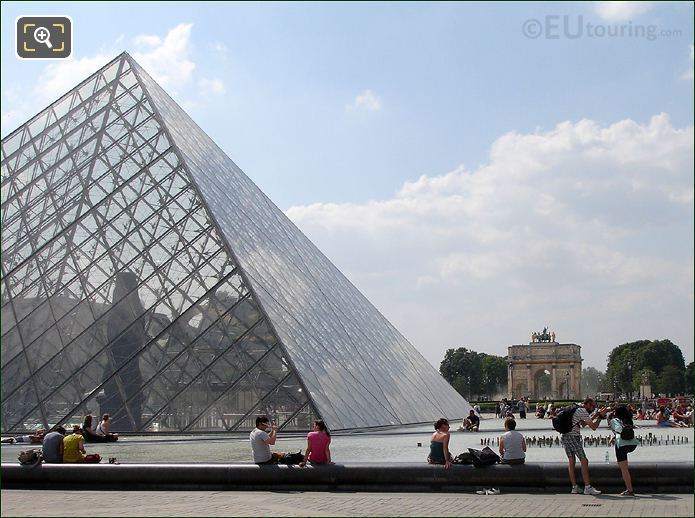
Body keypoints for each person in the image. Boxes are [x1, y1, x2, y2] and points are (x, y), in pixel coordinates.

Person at [561, 397, 608, 495]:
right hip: (573, 437)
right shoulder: (582, 411)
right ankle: (587, 487)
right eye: (592, 406)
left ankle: (574, 487)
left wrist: (596, 415)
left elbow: (582, 424)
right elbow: (594, 427)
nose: (593, 408)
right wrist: (600, 417)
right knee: (584, 460)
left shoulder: (577, 409)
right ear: (587, 404)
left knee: (571, 461)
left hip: (565, 436)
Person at [610, 405, 639, 496]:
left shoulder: (614, 421)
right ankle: (629, 489)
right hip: (632, 444)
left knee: (624, 469)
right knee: (624, 465)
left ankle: (629, 490)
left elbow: (618, 431)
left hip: (621, 445)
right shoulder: (629, 420)